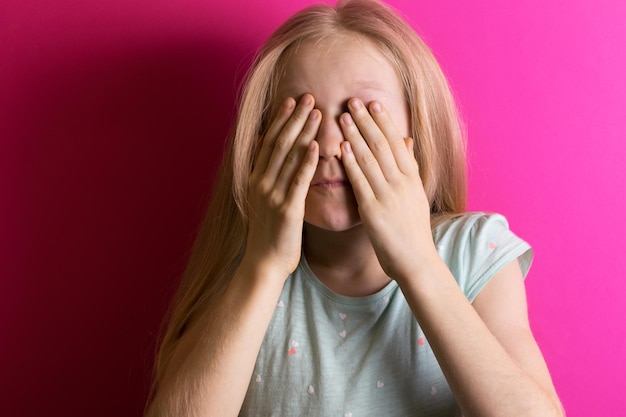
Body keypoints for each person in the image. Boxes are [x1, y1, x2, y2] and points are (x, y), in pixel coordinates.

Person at [145, 0, 564, 416]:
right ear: (261, 144)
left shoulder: (473, 253)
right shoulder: (244, 268)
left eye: (357, 114)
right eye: (304, 116)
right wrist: (265, 264)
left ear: (414, 134)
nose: (328, 145)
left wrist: (417, 261)